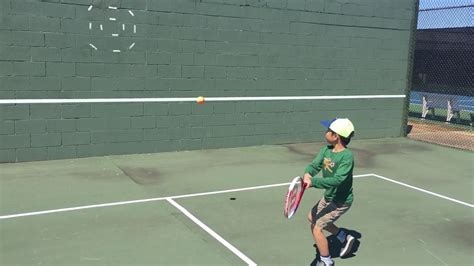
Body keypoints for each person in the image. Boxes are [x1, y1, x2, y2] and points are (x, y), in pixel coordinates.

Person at [303, 118, 356, 266]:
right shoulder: (326, 150)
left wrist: (314, 182)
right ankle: (343, 236)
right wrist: (308, 173)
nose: (325, 131)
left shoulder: (347, 157)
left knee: (317, 227)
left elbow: (338, 180)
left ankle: (326, 261)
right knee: (311, 216)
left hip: (341, 201)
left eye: (328, 130)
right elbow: (315, 165)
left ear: (335, 136)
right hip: (329, 197)